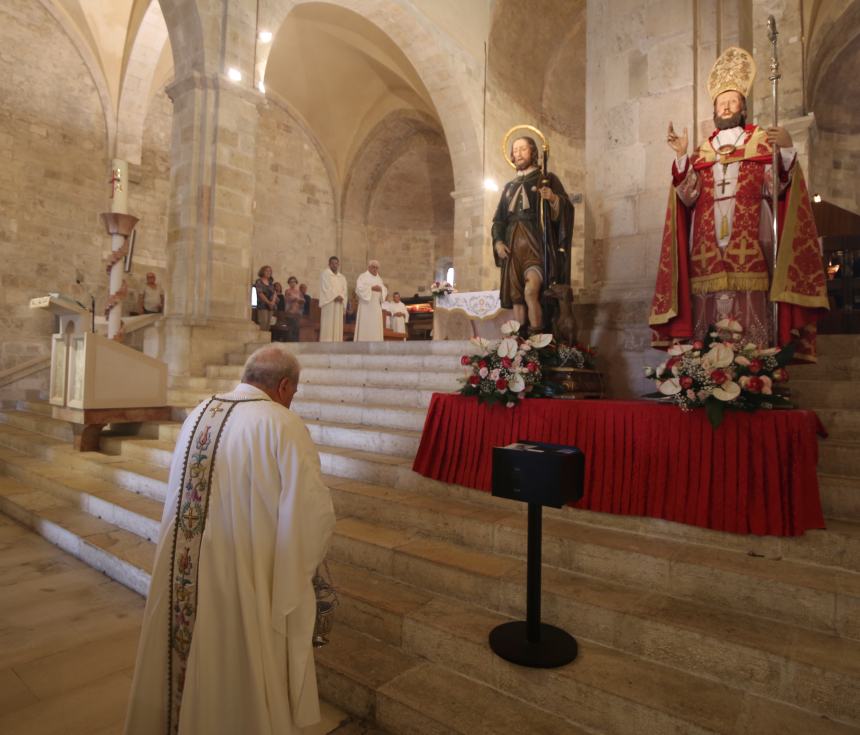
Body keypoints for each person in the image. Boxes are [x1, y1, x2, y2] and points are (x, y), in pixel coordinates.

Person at [124, 344, 336, 735]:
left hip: (184, 569)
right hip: (243, 571)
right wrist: (298, 573)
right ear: (285, 386)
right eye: (294, 392)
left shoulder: (200, 412)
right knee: (240, 659)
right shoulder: (281, 423)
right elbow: (311, 511)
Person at [651, 46, 828, 360]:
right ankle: (707, 366)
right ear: (715, 110)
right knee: (708, 304)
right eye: (722, 102)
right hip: (707, 241)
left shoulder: (760, 140)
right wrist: (681, 157)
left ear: (743, 107)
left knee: (750, 302)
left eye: (733, 101)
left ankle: (754, 368)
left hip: (750, 236)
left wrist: (786, 150)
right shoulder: (702, 152)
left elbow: (777, 187)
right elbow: (688, 195)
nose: (727, 106)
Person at [491, 135, 574, 334]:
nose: (518, 154)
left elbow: (566, 209)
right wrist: (498, 242)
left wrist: (552, 198)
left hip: (535, 244)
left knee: (531, 291)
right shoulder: (509, 188)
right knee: (517, 298)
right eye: (515, 150)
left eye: (523, 149)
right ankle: (521, 344)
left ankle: (538, 340)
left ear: (533, 152)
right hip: (512, 248)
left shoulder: (546, 179)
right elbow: (499, 220)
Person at [354, 259, 387, 341]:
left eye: (377, 268)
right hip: (366, 306)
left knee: (375, 326)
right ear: (369, 267)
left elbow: (384, 289)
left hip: (375, 306)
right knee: (366, 325)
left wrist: (381, 289)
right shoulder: (363, 276)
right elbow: (359, 289)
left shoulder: (379, 279)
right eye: (373, 267)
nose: (375, 269)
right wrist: (371, 288)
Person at [319, 256, 348, 342]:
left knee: (337, 325)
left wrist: (341, 296)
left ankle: (337, 344)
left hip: (339, 304)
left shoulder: (342, 277)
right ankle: (325, 344)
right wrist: (335, 296)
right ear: (329, 264)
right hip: (329, 303)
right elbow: (326, 288)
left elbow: (344, 290)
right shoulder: (325, 274)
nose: (334, 265)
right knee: (328, 324)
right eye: (332, 263)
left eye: (336, 263)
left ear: (338, 264)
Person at [254, 265, 277, 332]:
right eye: (267, 271)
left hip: (270, 307)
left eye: (270, 271)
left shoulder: (270, 283)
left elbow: (274, 293)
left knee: (268, 325)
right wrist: (268, 302)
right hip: (262, 306)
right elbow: (260, 293)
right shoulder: (259, 281)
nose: (269, 272)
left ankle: (266, 341)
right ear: (262, 271)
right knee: (263, 324)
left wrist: (272, 302)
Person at [283, 276, 303, 342]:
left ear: (296, 282)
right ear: (289, 283)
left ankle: (296, 343)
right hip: (290, 312)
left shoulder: (299, 292)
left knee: (297, 329)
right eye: (291, 282)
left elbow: (302, 301)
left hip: (297, 312)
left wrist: (301, 301)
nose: (292, 283)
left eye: (294, 282)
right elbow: (286, 300)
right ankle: (289, 343)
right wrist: (293, 299)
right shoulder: (287, 291)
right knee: (291, 329)